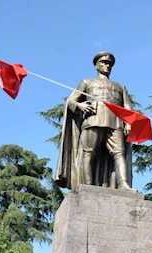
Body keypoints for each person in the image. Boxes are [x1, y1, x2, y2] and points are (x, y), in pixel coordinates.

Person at [55, 52, 134, 190]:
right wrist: (80, 105)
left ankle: (123, 184)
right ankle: (88, 185)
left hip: (115, 122)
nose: (107, 66)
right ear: (97, 65)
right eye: (103, 63)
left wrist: (128, 122)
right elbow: (71, 100)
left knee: (119, 153)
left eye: (109, 64)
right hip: (93, 119)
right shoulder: (87, 82)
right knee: (89, 152)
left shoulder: (121, 86)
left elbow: (127, 106)